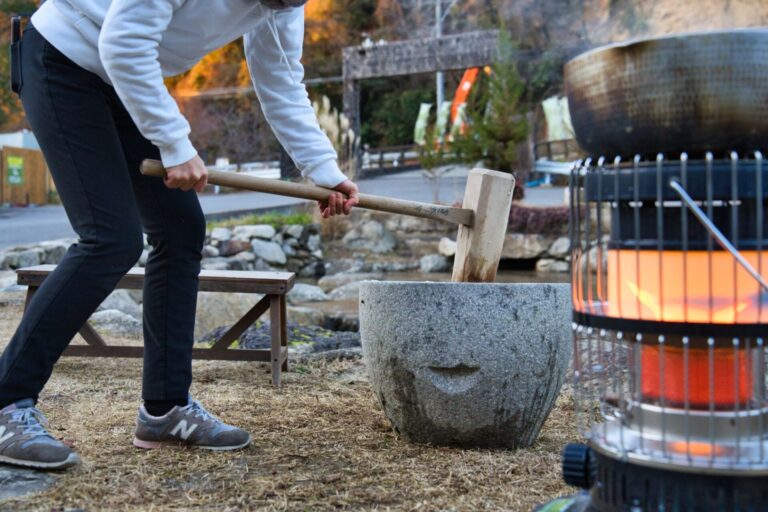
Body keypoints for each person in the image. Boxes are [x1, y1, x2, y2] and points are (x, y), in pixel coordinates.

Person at [0, 0, 359, 469]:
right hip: (64, 56)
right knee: (111, 238)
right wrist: (174, 143)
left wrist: (322, 170)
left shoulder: (284, 6)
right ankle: (8, 402)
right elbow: (124, 42)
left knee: (181, 228)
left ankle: (165, 407)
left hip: (120, 78)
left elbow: (282, 80)